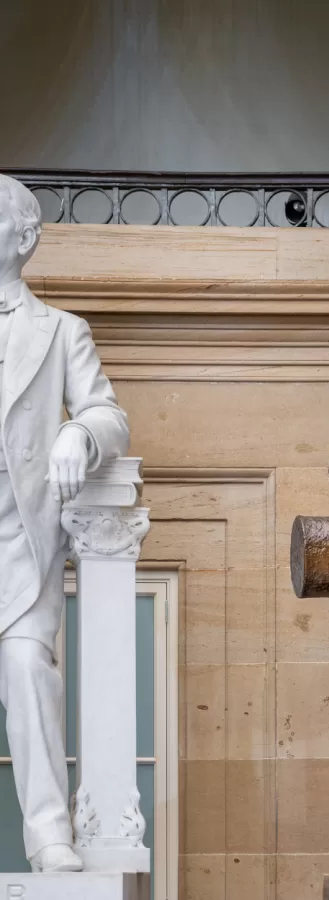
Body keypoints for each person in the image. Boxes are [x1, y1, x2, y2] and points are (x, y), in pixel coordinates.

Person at [0, 174, 129, 873]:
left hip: (17, 539)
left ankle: (50, 834)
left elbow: (109, 411)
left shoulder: (59, 332)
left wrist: (77, 435)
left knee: (25, 665)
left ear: (23, 237)